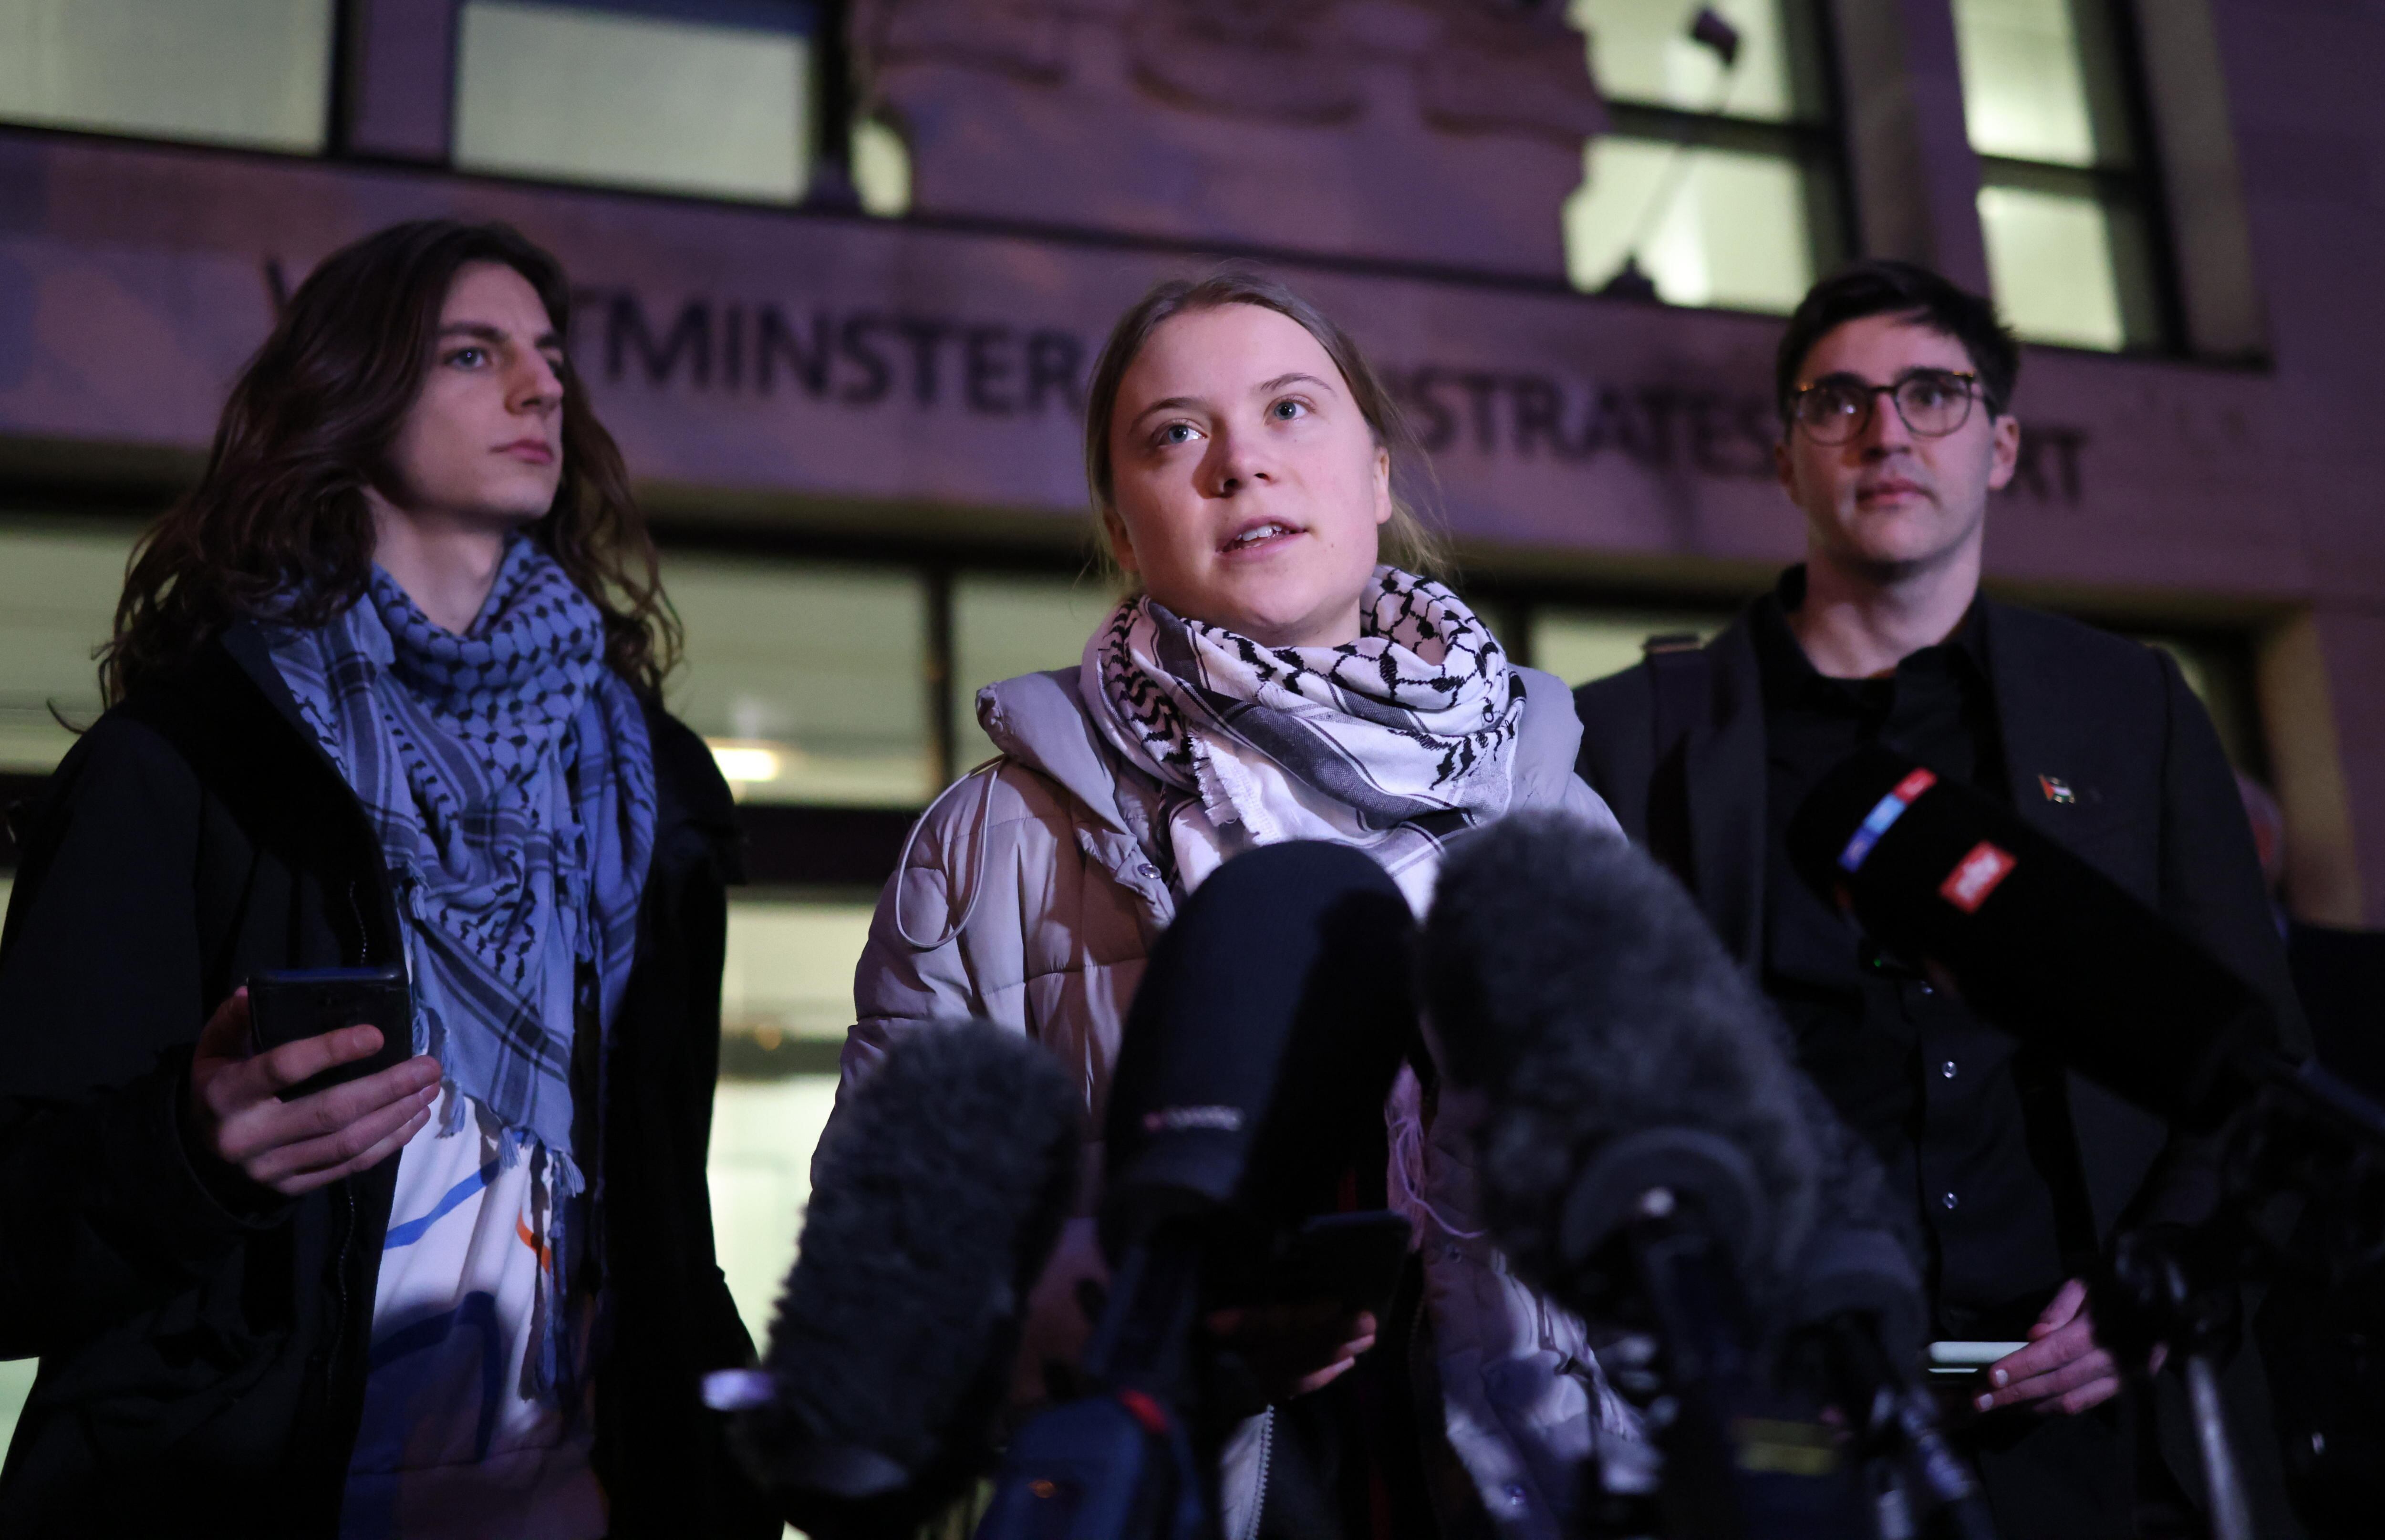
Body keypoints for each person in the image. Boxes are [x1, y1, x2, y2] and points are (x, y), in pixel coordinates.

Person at [0, 220, 774, 1539]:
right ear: (349, 397)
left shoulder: (646, 787)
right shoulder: (193, 763)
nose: (542, 388)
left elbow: (658, 1213)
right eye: (474, 354)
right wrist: (192, 1156)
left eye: (549, 356)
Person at [839, 270, 1637, 1539]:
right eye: (1176, 433)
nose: (1241, 466)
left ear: (1376, 476)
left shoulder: (1556, 811)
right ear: (1123, 517)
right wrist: (1162, 1330)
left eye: (1290, 411)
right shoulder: (996, 842)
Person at [1573, 258, 2309, 1537]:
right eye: (1838, 402)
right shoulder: (1634, 736)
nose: (1886, 433)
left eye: (1933, 395)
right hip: (1789, 1434)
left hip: (2108, 1437)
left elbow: (2260, 1066)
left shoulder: (2128, 705)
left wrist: (2159, 1280)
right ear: (1786, 456)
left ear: (2003, 444)